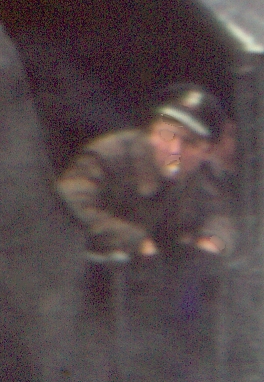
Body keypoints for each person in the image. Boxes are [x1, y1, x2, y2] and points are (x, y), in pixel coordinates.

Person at [56, 86, 235, 260]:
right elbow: (67, 205)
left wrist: (212, 242)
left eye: (190, 143)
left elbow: (223, 215)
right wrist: (135, 241)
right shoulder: (109, 157)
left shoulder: (207, 173)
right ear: (151, 132)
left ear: (207, 151)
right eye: (167, 135)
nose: (175, 151)